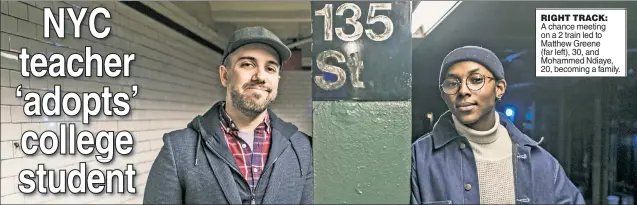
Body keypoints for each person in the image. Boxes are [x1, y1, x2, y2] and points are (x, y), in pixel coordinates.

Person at [144, 27, 313, 204]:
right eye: (248, 64)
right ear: (225, 76)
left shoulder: (302, 148)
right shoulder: (178, 149)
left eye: (270, 68)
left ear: (277, 80)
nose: (260, 76)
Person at [411, 46, 584, 204]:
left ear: (499, 88)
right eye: (452, 84)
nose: (463, 91)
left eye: (476, 80)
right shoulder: (419, 158)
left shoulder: (541, 164)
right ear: (443, 94)